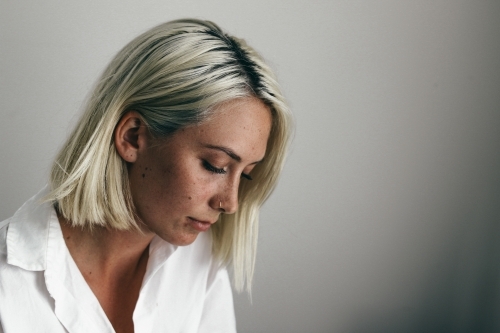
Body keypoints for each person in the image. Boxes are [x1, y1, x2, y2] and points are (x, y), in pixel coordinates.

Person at [0, 19, 291, 332]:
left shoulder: (198, 262)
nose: (230, 203)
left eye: (245, 174)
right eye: (215, 165)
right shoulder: (9, 288)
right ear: (133, 136)